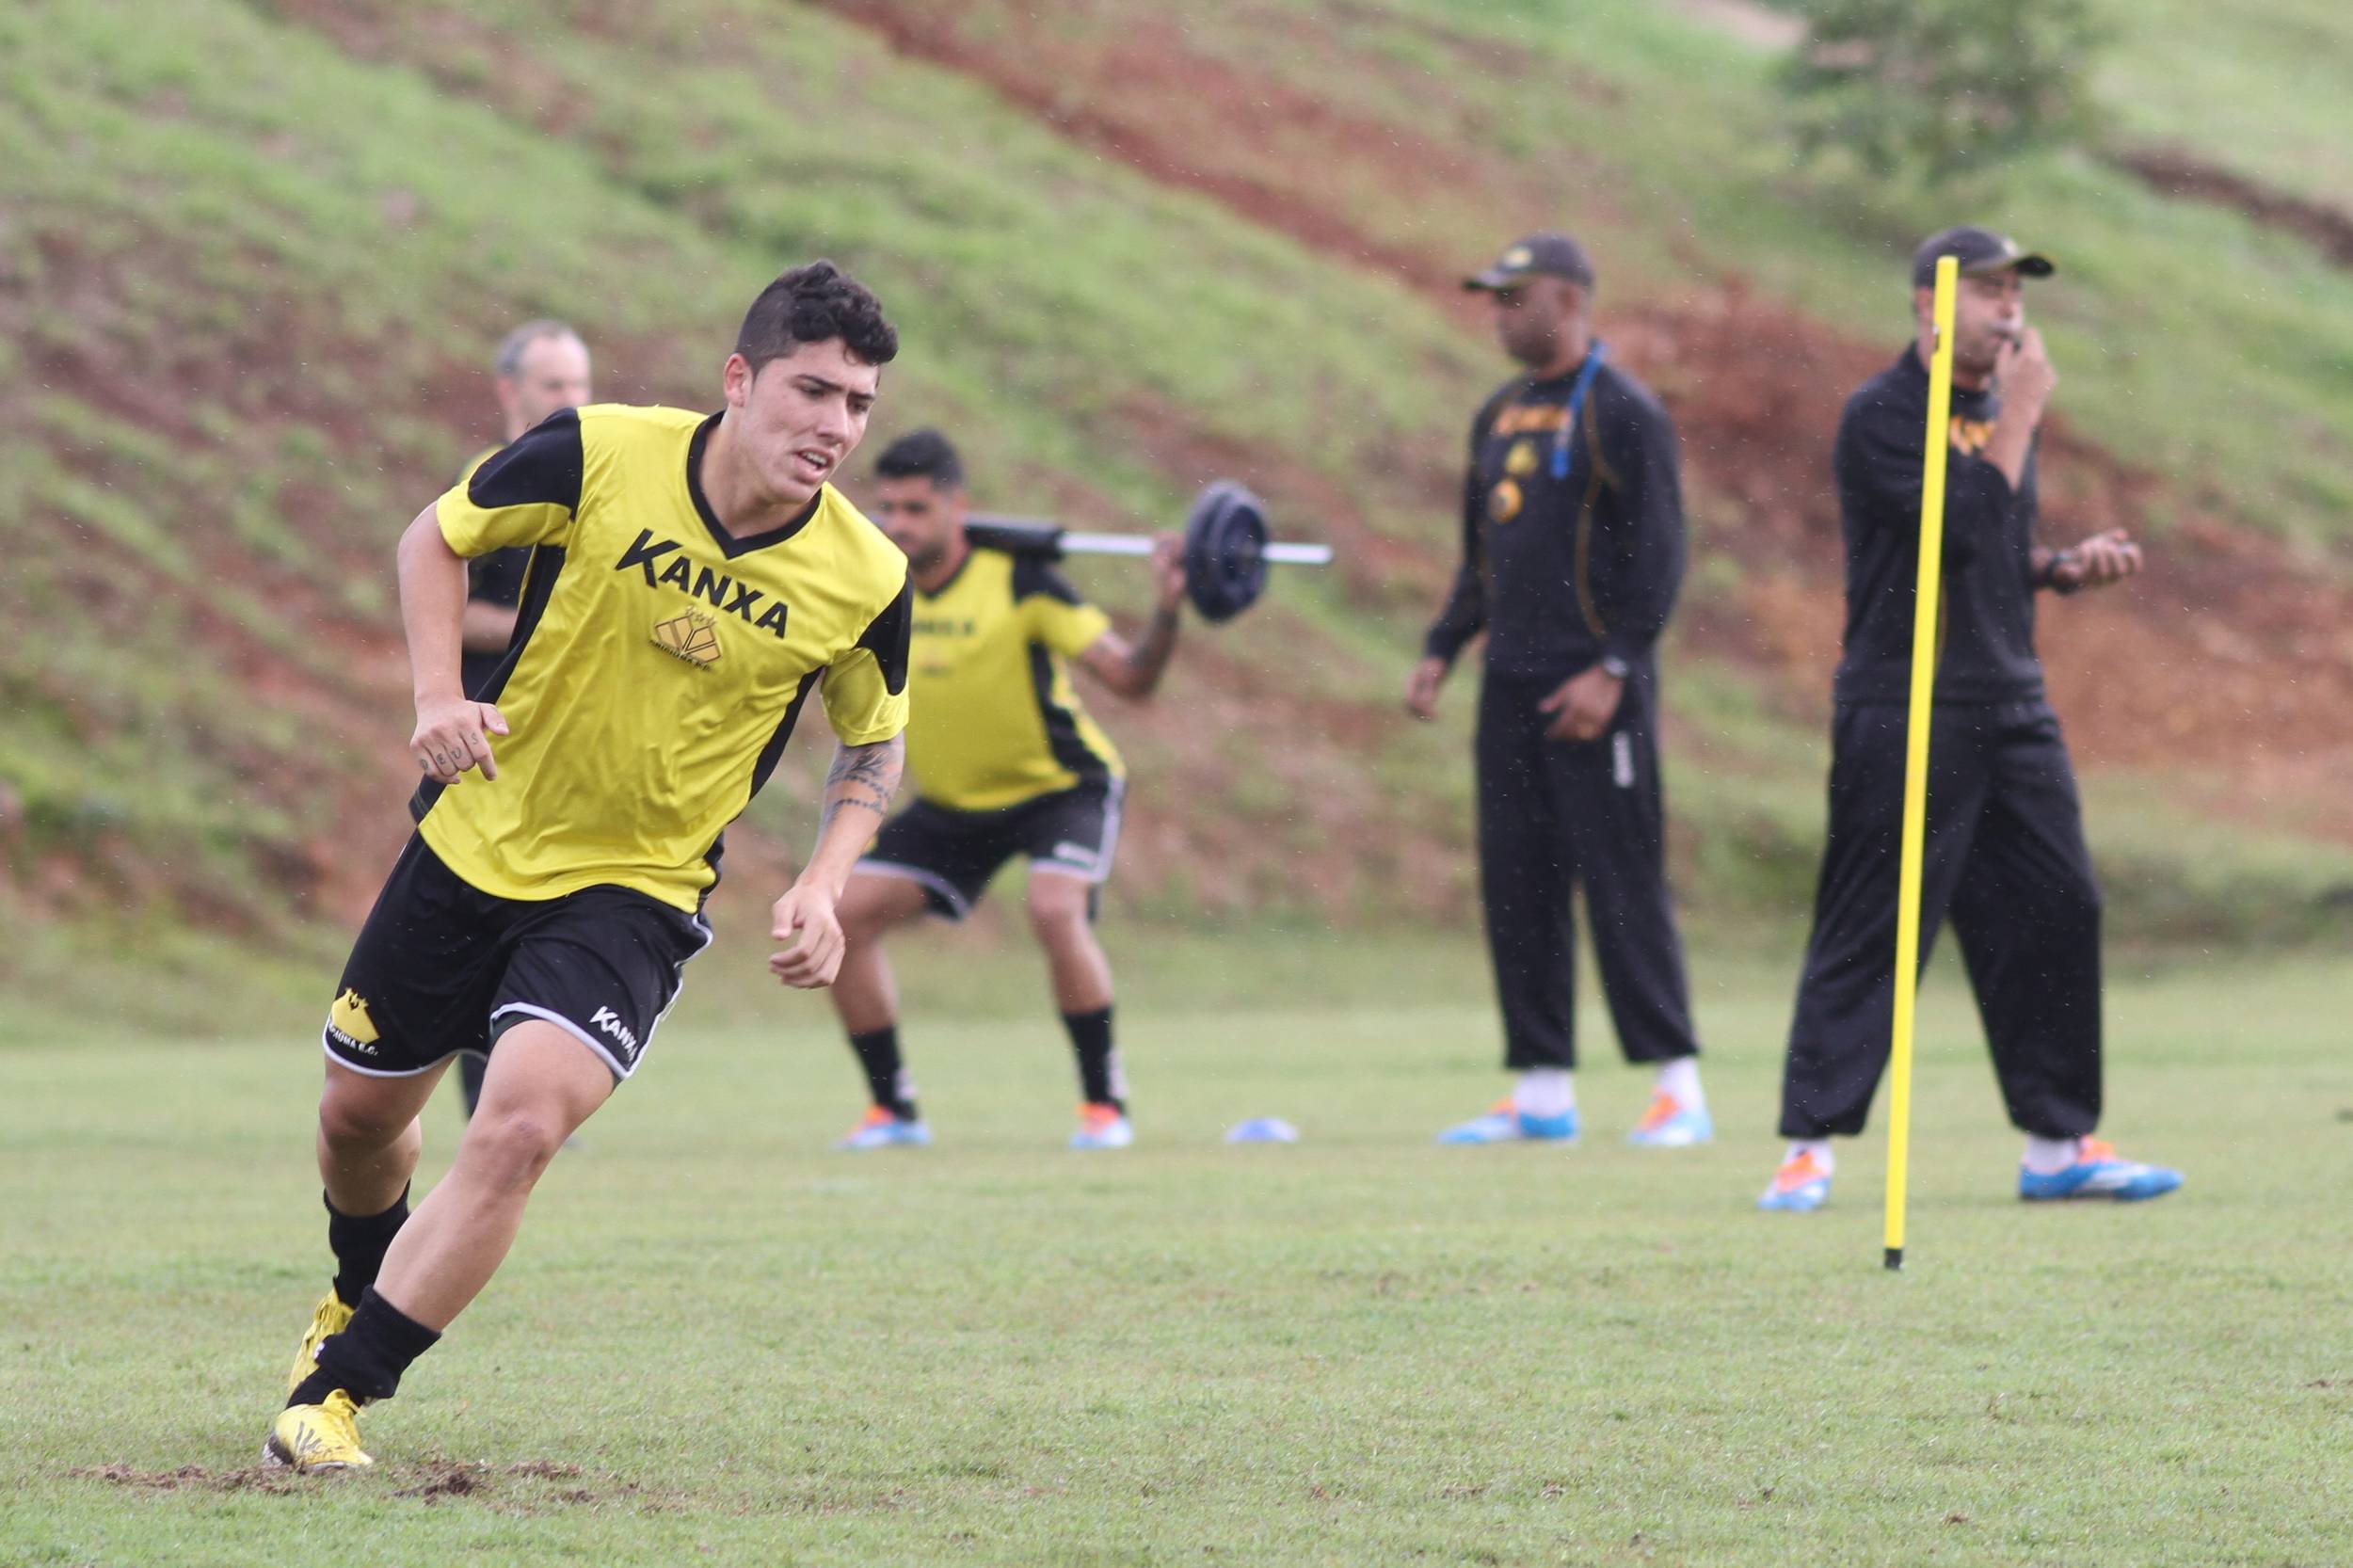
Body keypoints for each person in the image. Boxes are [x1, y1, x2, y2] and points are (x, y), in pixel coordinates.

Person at [265, 262, 914, 1471]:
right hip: (471, 843)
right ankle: (354, 1291)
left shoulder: (867, 575)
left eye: (858, 404)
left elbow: (874, 737)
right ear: (739, 380)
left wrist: (825, 878)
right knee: (358, 1122)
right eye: (811, 391)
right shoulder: (598, 452)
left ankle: (335, 1395)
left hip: (634, 893)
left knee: (516, 1129)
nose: (834, 426)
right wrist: (434, 697)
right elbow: (434, 537)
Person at [1758, 227, 2182, 1213]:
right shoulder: (1881, 414)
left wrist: (2057, 567)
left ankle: (2056, 1143)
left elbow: (1990, 547)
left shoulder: (1994, 414)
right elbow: (1944, 532)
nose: (2009, 310)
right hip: (1904, 704)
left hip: (2009, 700)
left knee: (2057, 908)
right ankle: (1807, 1147)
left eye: (2014, 293)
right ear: (1926, 304)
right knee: (1875, 927)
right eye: (1987, 292)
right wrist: (2021, 422)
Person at [1407, 232, 1710, 1149]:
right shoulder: (1496, 416)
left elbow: (1661, 555)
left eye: (1514, 296)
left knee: (1620, 880)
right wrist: (1442, 647)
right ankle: (1541, 1093)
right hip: (1511, 685)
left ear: (1569, 300)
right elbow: (1482, 557)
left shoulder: (1622, 412)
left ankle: (1676, 1089)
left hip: (1597, 687)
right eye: (1492, 298)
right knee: (1516, 881)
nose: (1498, 312)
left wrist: (1613, 668)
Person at [821, 428, 1183, 1152]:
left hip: (1061, 788)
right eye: (888, 508)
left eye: (918, 508)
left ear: (958, 506)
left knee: (1054, 907)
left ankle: (1104, 1108)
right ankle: (894, 1112)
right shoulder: (876, 588)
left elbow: (1132, 680)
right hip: (958, 806)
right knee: (845, 916)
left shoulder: (1021, 580)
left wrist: (1168, 607)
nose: (900, 524)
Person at [452, 320, 593, 1120]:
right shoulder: (491, 480)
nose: (571, 400)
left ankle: (531, 1099)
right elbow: (450, 605)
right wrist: (546, 630)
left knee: (560, 918)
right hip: (490, 738)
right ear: (510, 393)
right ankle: (479, 1106)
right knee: (478, 921)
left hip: (570, 743)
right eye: (554, 385)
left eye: (580, 384)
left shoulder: (601, 486)